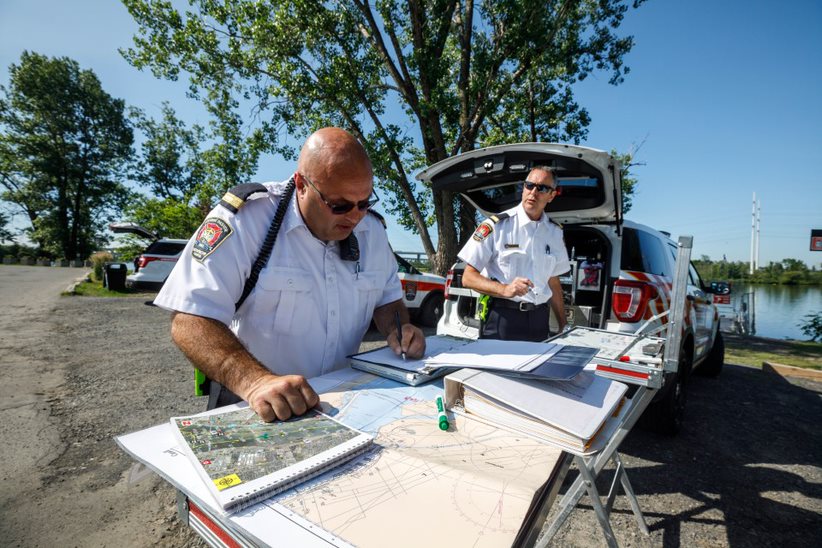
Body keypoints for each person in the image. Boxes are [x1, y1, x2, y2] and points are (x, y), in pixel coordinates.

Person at [154, 127, 425, 422]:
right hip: (254, 403)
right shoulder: (248, 219)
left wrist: (399, 328)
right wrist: (256, 382)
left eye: (364, 202)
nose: (355, 216)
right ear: (301, 185)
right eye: (339, 205)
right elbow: (190, 318)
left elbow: (387, 299)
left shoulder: (372, 230)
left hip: (337, 405)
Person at [457, 166, 570, 341]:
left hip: (540, 320)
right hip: (503, 318)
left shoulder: (555, 232)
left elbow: (553, 281)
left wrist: (563, 324)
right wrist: (505, 289)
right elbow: (468, 278)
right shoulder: (496, 225)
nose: (533, 192)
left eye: (541, 188)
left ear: (552, 195)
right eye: (529, 185)